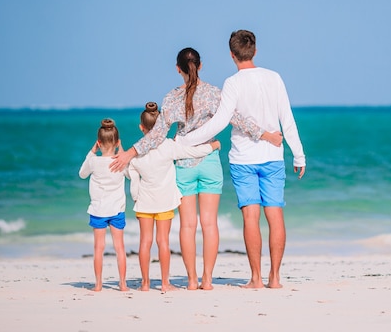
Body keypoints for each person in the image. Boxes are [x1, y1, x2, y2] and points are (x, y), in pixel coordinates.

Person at [110, 47, 282, 290]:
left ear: (178, 69)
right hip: (209, 161)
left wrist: (130, 153)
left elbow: (157, 135)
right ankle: (207, 280)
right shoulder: (214, 94)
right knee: (209, 224)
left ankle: (191, 281)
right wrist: (267, 135)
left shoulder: (171, 98)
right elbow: (238, 120)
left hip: (184, 165)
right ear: (200, 66)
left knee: (188, 225)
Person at [176, 29, 306, 289]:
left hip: (243, 159)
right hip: (273, 157)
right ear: (254, 50)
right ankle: (275, 278)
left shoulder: (233, 83)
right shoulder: (274, 78)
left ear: (232, 55)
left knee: (250, 218)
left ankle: (256, 278)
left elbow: (220, 122)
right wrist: (298, 154)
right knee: (275, 214)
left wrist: (186, 141)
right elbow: (287, 118)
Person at [129, 102, 220, 292]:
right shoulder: (169, 146)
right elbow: (191, 152)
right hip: (164, 204)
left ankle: (145, 284)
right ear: (163, 125)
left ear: (141, 127)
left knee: (145, 242)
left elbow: (133, 179)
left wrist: (136, 197)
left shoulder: (136, 154)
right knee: (163, 241)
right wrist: (212, 147)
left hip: (144, 205)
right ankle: (165, 283)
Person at [79, 118, 129, 292]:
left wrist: (92, 151)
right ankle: (123, 284)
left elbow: (82, 174)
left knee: (98, 249)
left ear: (98, 143)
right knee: (119, 247)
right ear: (116, 143)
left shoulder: (93, 162)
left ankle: (98, 284)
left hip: (98, 211)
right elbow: (130, 174)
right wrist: (122, 151)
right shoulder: (120, 162)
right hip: (117, 211)